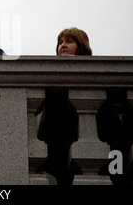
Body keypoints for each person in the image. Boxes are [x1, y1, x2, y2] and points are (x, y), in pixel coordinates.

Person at [35, 27, 92, 185]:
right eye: (60, 42)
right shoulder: (51, 73)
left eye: (69, 41)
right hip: (55, 138)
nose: (63, 45)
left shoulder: (91, 72)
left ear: (81, 47)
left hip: (82, 134)